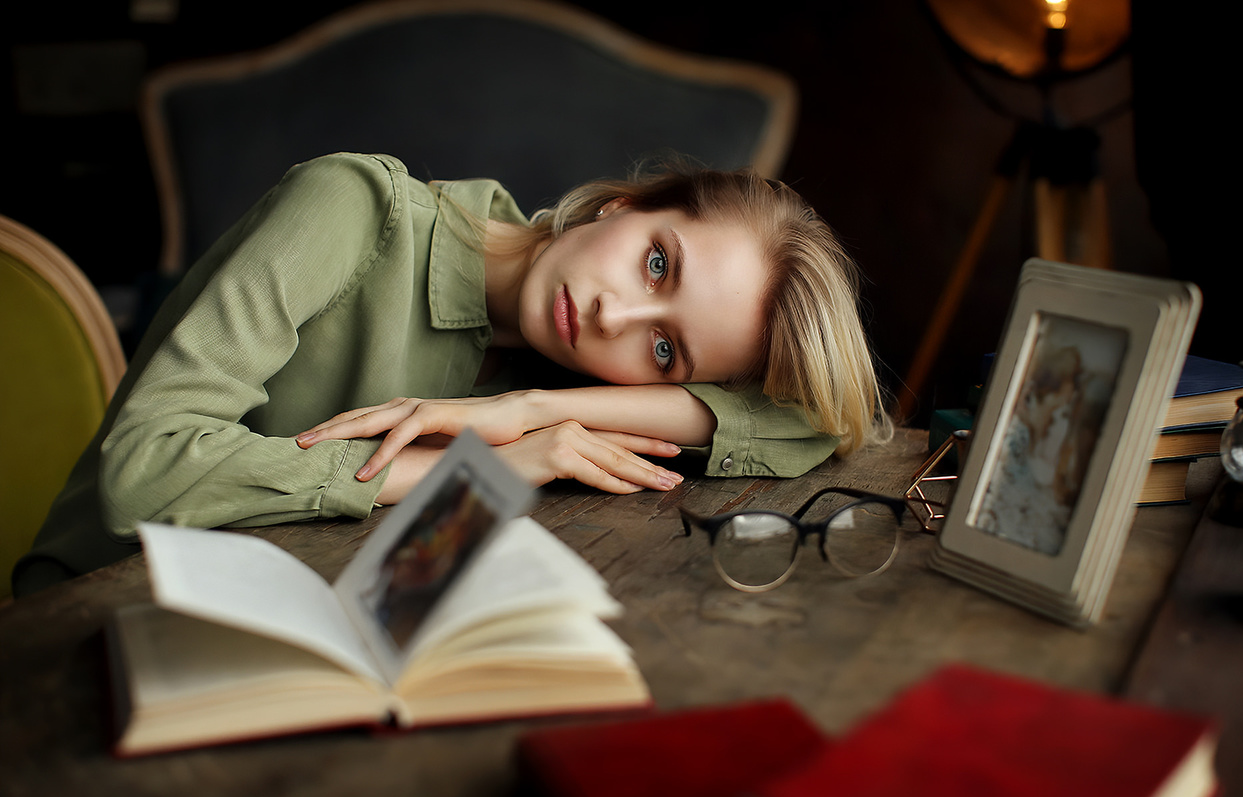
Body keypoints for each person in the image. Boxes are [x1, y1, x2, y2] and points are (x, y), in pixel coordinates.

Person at [12, 152, 891, 597]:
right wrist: (480, 466)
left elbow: (816, 424)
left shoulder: (555, 378)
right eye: (657, 264)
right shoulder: (352, 210)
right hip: (96, 619)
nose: (613, 317)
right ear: (627, 204)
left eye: (666, 354)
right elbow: (144, 473)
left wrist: (529, 406)